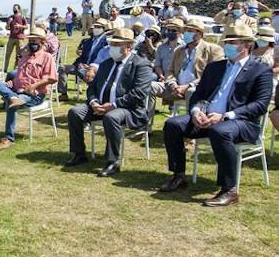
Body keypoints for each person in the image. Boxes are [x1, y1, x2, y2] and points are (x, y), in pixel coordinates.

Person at [159, 26, 272, 206]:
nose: (227, 46)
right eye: (226, 43)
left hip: (240, 122)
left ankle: (230, 190)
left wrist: (225, 116)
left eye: (232, 43)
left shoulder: (260, 70)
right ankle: (178, 175)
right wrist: (196, 111)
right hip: (207, 117)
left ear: (246, 45)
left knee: (220, 131)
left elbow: (260, 105)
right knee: (173, 124)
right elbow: (198, 94)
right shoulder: (215, 67)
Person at [65, 28, 154, 176]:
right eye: (112, 43)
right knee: (75, 112)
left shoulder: (141, 65)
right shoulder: (106, 64)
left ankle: (113, 161)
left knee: (111, 117)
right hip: (99, 106)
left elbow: (139, 93)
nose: (113, 47)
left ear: (129, 46)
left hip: (128, 109)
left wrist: (113, 105)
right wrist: (93, 102)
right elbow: (92, 87)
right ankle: (78, 153)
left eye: (117, 44)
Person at [0, 27, 57, 150]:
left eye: (34, 40)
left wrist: (34, 86)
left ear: (42, 42)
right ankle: (12, 97)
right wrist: (12, 84)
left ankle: (9, 138)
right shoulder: (24, 57)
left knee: (13, 104)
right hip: (18, 90)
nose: (32, 43)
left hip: (34, 94)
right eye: (30, 40)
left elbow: (52, 78)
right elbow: (19, 76)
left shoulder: (47, 57)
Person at [154, 19, 224, 104]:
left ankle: (191, 116)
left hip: (196, 88)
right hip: (175, 87)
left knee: (191, 91)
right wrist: (172, 83)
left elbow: (213, 75)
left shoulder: (212, 50)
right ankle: (142, 117)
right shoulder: (179, 50)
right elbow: (170, 71)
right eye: (185, 31)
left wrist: (188, 86)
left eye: (190, 31)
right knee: (151, 86)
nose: (186, 33)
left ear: (200, 34)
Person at [57, 18, 111, 101]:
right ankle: (63, 94)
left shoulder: (106, 42)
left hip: (96, 69)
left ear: (104, 29)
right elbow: (81, 57)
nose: (95, 29)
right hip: (81, 66)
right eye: (95, 26)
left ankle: (95, 96)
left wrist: (90, 67)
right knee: (62, 68)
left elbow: (105, 59)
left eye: (98, 27)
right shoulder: (87, 42)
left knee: (85, 73)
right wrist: (80, 64)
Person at [4, 4, 27, 72]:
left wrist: (20, 26)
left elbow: (26, 26)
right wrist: (9, 23)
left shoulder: (22, 17)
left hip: (20, 38)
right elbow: (6, 28)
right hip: (11, 38)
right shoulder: (10, 17)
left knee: (18, 55)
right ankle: (5, 69)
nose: (14, 9)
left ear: (19, 9)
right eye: (13, 8)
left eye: (16, 8)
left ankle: (15, 70)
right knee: (7, 54)